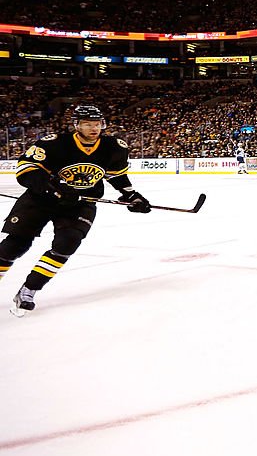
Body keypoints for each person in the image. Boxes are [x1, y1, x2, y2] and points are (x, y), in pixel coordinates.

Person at [1, 105, 151, 317]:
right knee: (14, 246)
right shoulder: (55, 144)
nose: (94, 128)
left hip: (80, 203)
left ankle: (29, 290)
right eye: (88, 124)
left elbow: (116, 175)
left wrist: (131, 195)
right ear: (77, 125)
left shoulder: (113, 147)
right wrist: (52, 187)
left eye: (97, 124)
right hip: (40, 199)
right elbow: (26, 169)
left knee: (67, 243)